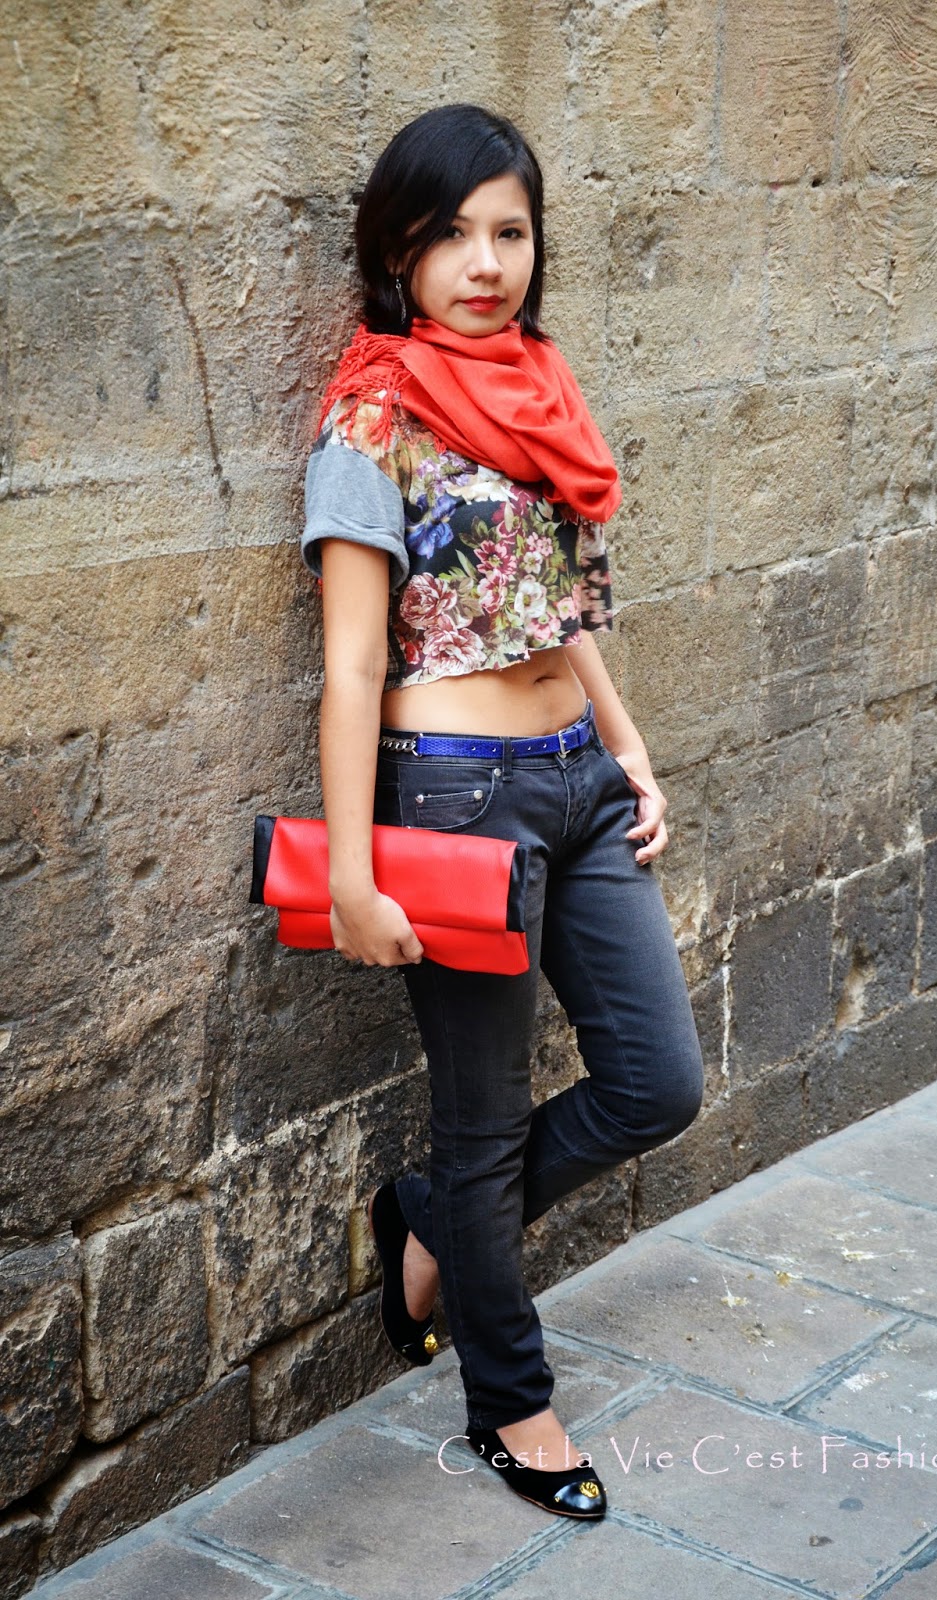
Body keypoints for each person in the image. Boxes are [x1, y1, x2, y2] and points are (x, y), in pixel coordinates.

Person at [301, 103, 705, 1521]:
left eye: (511, 232)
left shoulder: (534, 387)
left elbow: (556, 610)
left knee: (659, 1082)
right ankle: (511, 1405)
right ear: (397, 251)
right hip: (458, 800)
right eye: (453, 234)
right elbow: (354, 665)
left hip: (579, 775)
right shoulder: (374, 416)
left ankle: (432, 1226)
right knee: (480, 1127)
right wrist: (352, 874)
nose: (487, 263)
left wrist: (629, 746)